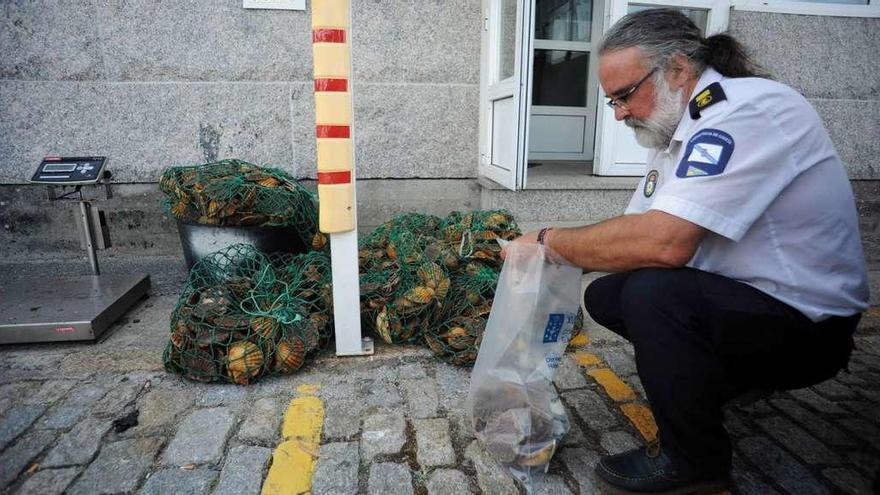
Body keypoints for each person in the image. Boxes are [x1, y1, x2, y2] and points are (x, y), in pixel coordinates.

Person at [502, 8, 869, 494]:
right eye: (611, 101)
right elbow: (634, 231)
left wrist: (549, 240)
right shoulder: (678, 130)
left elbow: (664, 243)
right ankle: (718, 381)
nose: (618, 114)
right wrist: (547, 260)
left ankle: (696, 466)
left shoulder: (745, 110)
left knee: (654, 293)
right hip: (753, 301)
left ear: (676, 68)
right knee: (609, 294)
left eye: (625, 95)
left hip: (810, 326)